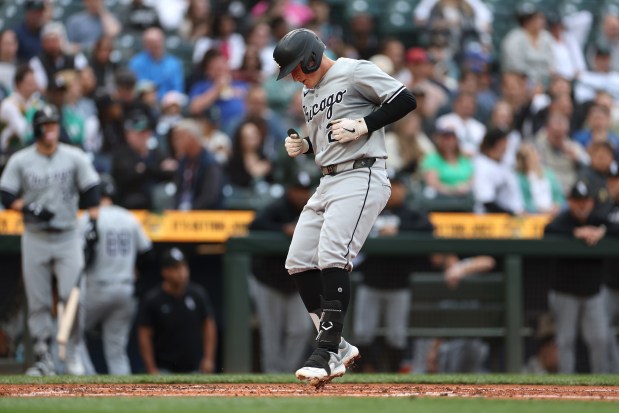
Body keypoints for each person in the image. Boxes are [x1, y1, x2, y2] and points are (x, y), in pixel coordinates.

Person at [274, 28, 417, 386]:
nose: (293, 75)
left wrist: (364, 125)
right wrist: (307, 146)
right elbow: (329, 136)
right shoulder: (309, 91)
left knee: (332, 255)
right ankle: (337, 344)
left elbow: (405, 99)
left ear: (310, 56)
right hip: (328, 178)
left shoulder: (354, 70)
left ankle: (325, 353)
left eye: (296, 67)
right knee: (298, 261)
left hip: (363, 172)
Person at [0, 104, 101, 375]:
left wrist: (93, 223)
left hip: (68, 234)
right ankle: (43, 357)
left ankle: (71, 352)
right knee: (38, 300)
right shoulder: (21, 159)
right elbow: (6, 195)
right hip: (35, 235)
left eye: (54, 124)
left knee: (73, 296)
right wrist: (27, 207)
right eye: (46, 125)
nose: (51, 130)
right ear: (36, 129)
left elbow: (92, 191)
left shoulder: (74, 156)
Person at [352, 171, 434, 372]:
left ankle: (393, 373)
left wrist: (399, 232)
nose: (393, 190)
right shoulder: (369, 210)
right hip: (371, 280)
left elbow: (428, 230)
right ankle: (364, 372)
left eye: (397, 186)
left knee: (396, 334)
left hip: (399, 282)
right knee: (363, 332)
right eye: (389, 185)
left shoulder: (411, 214)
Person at [79, 175, 152, 375]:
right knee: (117, 351)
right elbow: (147, 254)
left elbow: (77, 257)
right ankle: (124, 396)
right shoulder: (129, 217)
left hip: (97, 288)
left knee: (71, 334)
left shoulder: (88, 217)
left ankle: (88, 380)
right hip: (126, 289)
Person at [544, 180, 618, 373]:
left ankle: (603, 384)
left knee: (599, 339)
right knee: (565, 340)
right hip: (565, 291)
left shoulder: (598, 219)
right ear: (570, 202)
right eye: (578, 201)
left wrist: (600, 232)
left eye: (585, 200)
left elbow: (614, 227)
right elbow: (547, 230)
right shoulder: (563, 220)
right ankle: (566, 386)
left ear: (592, 202)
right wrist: (575, 232)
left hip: (593, 291)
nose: (582, 205)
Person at [248, 172, 316, 373]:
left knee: (300, 330)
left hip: (297, 283)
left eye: (305, 190)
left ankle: (287, 373)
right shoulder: (277, 208)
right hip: (270, 281)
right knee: (272, 333)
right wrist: (282, 229)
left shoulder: (313, 209)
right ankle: (272, 375)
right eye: (298, 190)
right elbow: (254, 226)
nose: (301, 194)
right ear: (290, 190)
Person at [137, 247, 217, 374]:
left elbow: (208, 325)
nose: (182, 272)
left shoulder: (197, 294)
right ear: (165, 272)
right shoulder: (153, 299)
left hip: (194, 369)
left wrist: (208, 359)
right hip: (164, 369)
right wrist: (151, 368)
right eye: (176, 268)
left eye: (184, 267)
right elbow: (144, 335)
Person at [169, 119, 225, 210]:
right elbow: (178, 191)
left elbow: (210, 197)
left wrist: (189, 211)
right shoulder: (183, 162)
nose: (175, 143)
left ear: (191, 138)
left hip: (206, 217)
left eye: (178, 138)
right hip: (182, 215)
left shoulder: (210, 163)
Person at [473, 128, 524, 215]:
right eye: (505, 143)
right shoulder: (481, 165)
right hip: (491, 222)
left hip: (512, 219)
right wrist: (511, 213)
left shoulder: (505, 164)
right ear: (498, 143)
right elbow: (486, 201)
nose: (506, 147)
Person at [128, 27, 184, 102]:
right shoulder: (136, 62)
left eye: (159, 41)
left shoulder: (174, 63)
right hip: (144, 103)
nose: (157, 44)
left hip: (168, 104)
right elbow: (136, 87)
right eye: (152, 42)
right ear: (145, 45)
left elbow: (177, 89)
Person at [0, 65, 38, 171]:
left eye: (34, 82)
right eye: (30, 83)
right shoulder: (9, 105)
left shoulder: (34, 103)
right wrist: (31, 115)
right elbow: (24, 134)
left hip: (30, 153)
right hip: (9, 154)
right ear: (19, 84)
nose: (34, 86)